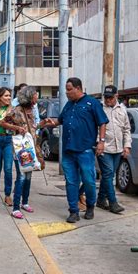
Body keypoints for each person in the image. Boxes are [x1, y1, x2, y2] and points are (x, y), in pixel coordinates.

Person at [42, 77, 108, 223]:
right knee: (71, 182)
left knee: (89, 180)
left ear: (78, 88)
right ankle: (73, 211)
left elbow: (102, 123)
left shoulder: (92, 103)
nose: (67, 92)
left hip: (85, 150)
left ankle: (90, 206)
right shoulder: (68, 105)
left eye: (69, 89)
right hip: (68, 151)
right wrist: (51, 122)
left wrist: (101, 142)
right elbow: (61, 120)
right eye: (66, 89)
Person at [0, 86, 45, 219]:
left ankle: (25, 202)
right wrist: (17, 128)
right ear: (30, 97)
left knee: (29, 176)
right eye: (36, 95)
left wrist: (43, 124)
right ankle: (15, 207)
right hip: (20, 149)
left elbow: (33, 127)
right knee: (21, 176)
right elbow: (2, 123)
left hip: (31, 147)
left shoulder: (32, 110)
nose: (37, 97)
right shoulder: (17, 110)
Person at [96, 85, 131, 213]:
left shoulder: (122, 110)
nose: (108, 100)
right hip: (104, 148)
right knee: (108, 174)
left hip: (118, 149)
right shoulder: (99, 108)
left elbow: (126, 129)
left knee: (109, 175)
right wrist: (98, 143)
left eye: (111, 97)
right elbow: (96, 128)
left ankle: (100, 199)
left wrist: (127, 145)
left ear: (116, 96)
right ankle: (113, 202)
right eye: (106, 97)